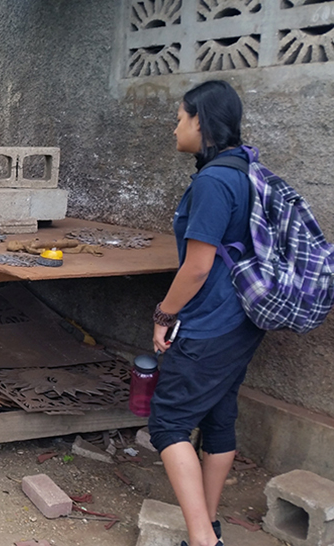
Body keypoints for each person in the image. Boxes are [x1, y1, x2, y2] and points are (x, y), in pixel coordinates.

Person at [149, 80, 265, 546]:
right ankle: (210, 524)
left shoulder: (215, 182)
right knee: (219, 416)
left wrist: (163, 314)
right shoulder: (245, 170)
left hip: (209, 322)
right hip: (242, 319)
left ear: (201, 120)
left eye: (181, 117)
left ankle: (202, 540)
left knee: (168, 423)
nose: (175, 126)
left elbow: (197, 267)